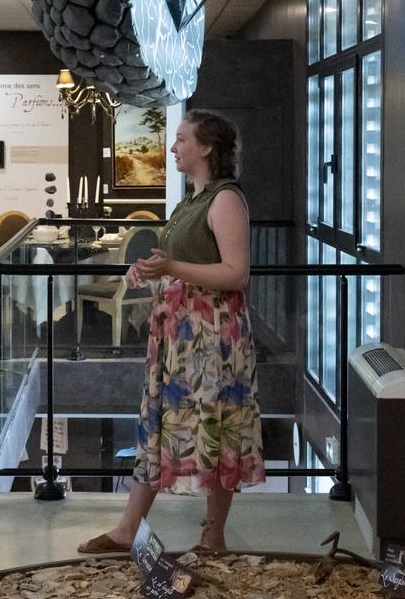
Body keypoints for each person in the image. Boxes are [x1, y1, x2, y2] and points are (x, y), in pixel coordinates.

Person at [78, 110, 265, 556]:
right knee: (159, 423)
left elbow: (237, 274)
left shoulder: (225, 199)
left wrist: (173, 268)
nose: (173, 147)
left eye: (181, 139)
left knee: (216, 427)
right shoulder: (193, 200)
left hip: (213, 337)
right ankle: (128, 529)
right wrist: (152, 270)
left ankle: (212, 536)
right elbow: (186, 262)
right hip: (181, 336)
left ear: (206, 148)